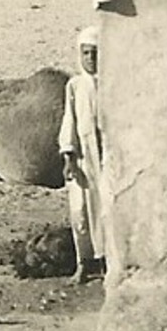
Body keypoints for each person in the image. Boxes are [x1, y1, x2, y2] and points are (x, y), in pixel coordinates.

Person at [58, 24, 106, 283]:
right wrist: (68, 156)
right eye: (86, 53)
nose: (91, 59)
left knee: (106, 212)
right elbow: (70, 122)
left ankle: (107, 264)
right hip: (83, 159)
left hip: (107, 159)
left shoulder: (112, 84)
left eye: (95, 53)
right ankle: (84, 263)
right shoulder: (75, 86)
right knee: (81, 213)